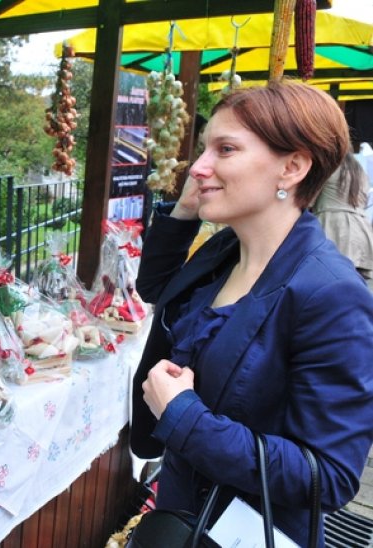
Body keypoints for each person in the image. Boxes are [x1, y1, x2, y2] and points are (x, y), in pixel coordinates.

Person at [130, 82, 373, 546]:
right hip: (181, 514)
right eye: (203, 149)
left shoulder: (331, 294)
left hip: (246, 531)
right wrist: (187, 207)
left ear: (293, 167)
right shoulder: (226, 250)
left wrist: (183, 415)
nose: (198, 167)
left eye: (225, 149)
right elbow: (158, 289)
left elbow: (331, 476)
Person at [311, 150, 373, 281]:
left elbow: (307, 200)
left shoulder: (328, 167)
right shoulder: (359, 170)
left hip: (334, 227)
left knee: (328, 279)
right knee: (355, 284)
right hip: (362, 230)